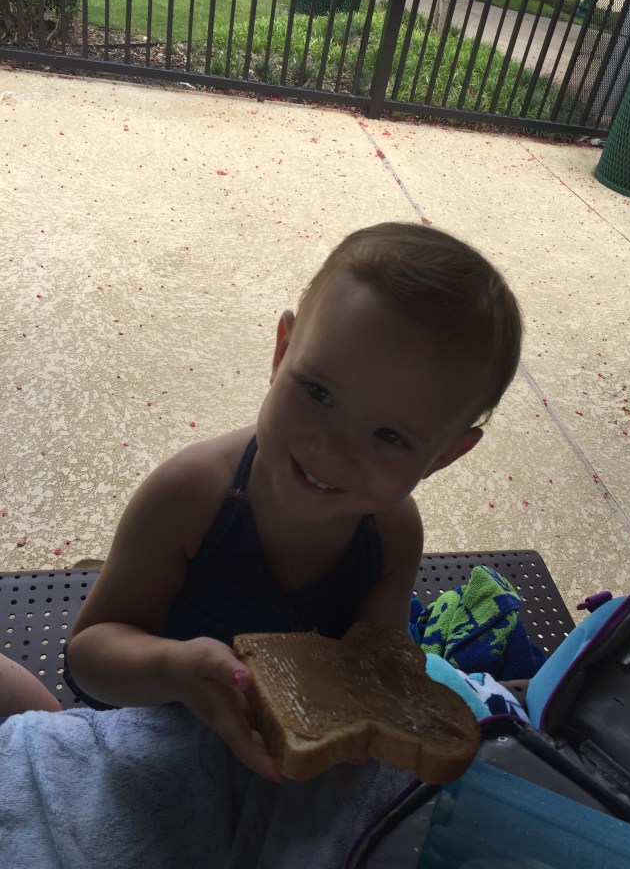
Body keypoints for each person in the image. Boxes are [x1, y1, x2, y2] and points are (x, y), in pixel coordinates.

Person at [65, 222, 523, 783]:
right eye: (318, 392)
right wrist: (173, 669)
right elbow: (87, 657)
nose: (332, 450)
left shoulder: (394, 535)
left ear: (444, 455)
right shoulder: (189, 496)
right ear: (283, 353)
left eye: (390, 436)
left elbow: (378, 670)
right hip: (156, 743)